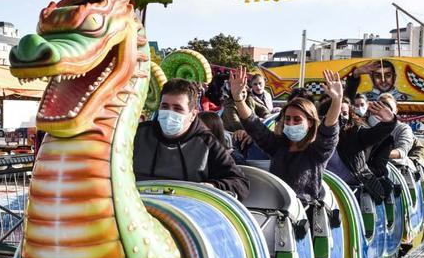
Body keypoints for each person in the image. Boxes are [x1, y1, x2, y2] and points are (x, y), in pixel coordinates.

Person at [230, 66, 341, 204]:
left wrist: (337, 100)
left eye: (297, 119)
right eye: (287, 119)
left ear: (310, 122)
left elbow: (329, 131)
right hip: (276, 213)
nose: (291, 123)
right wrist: (239, 100)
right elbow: (254, 125)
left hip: (305, 216)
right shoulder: (278, 145)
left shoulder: (317, 150)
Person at [133, 78, 250, 199]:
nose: (169, 113)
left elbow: (240, 183)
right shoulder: (137, 134)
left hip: (184, 210)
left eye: (177, 108)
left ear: (193, 114)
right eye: (165, 106)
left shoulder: (207, 142)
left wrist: (212, 187)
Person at [326, 96, 397, 199]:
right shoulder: (318, 135)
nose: (340, 117)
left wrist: (389, 122)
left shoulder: (354, 133)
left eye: (344, 113)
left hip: (353, 189)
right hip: (325, 188)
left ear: (350, 116)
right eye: (336, 113)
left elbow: (374, 135)